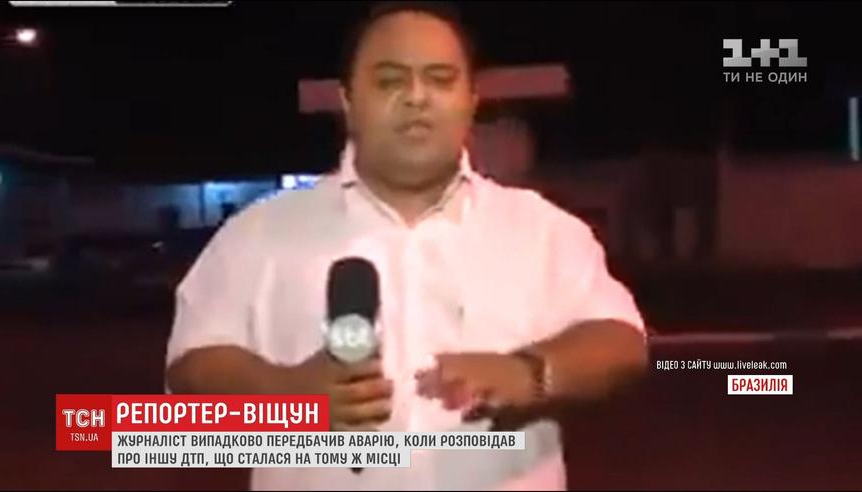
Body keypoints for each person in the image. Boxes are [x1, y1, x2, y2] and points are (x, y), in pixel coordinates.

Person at [165, 2, 648, 490]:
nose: (417, 97)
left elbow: (621, 341)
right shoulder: (259, 233)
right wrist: (285, 395)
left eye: (440, 79)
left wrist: (531, 373)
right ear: (348, 101)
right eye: (389, 80)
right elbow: (192, 369)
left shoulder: (542, 229)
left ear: (472, 101)